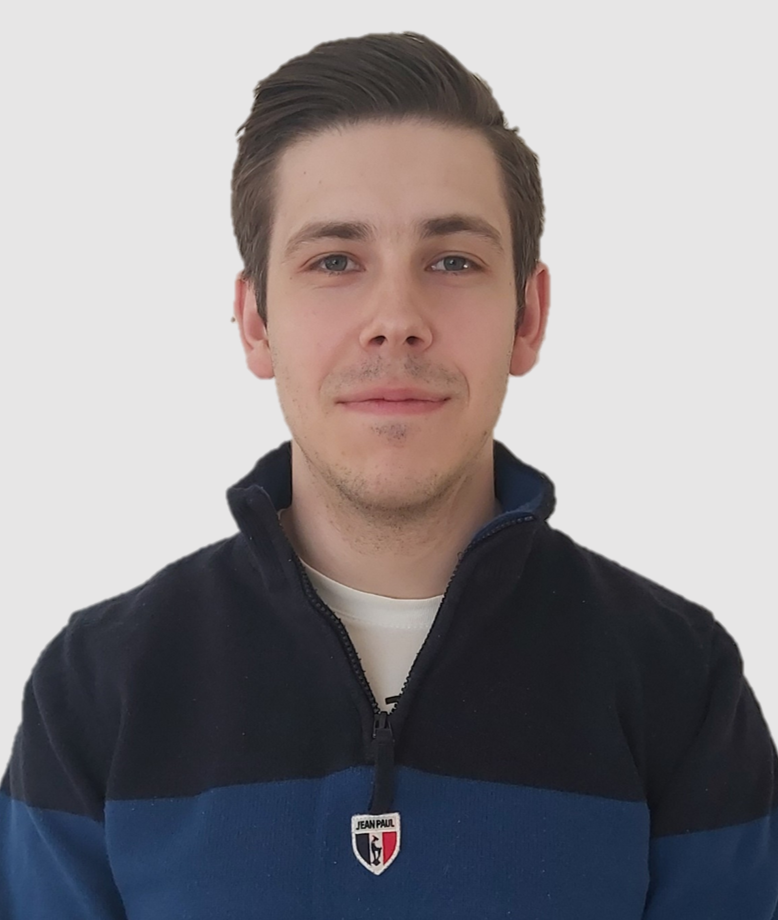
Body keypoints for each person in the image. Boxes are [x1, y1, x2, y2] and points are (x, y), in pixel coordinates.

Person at [1, 30, 776, 920]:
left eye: (453, 261)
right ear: (255, 323)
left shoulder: (682, 684)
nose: (396, 317)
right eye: (335, 261)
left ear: (528, 316)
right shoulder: (96, 691)